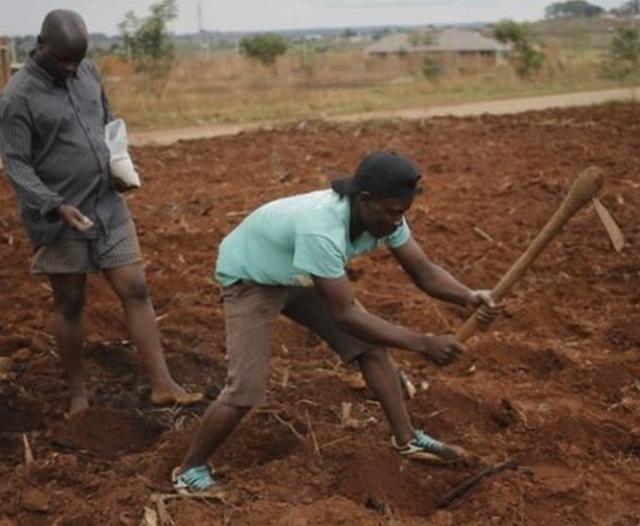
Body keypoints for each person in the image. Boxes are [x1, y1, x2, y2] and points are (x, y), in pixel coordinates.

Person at [172, 151, 503, 493]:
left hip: (300, 273)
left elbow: (423, 271)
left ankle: (407, 439)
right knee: (245, 387)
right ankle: (189, 469)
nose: (397, 222)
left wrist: (467, 296)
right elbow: (347, 315)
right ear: (365, 200)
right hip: (252, 278)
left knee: (371, 348)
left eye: (403, 213)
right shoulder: (322, 229)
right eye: (392, 212)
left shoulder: (387, 217)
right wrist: (424, 343)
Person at [0, 10, 200, 414]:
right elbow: (16, 163)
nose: (70, 68)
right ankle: (78, 396)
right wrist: (54, 205)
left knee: (136, 289)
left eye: (76, 60)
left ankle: (162, 384)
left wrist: (120, 163)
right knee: (71, 301)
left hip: (108, 204)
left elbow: (107, 122)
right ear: (40, 45)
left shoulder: (87, 73)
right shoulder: (18, 97)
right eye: (63, 60)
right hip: (60, 215)